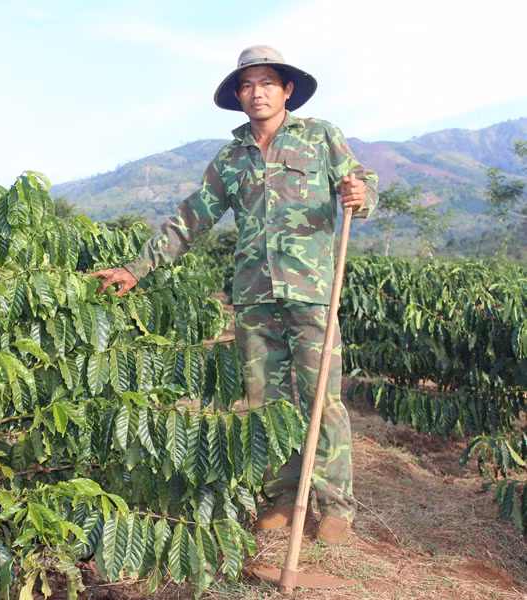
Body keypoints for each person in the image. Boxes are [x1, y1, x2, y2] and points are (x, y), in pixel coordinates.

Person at [91, 45, 378, 545]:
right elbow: (191, 219)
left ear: (287, 89)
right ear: (238, 96)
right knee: (266, 401)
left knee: (320, 398)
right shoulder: (230, 158)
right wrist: (138, 268)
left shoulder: (320, 137)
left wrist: (361, 196)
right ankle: (283, 497)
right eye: (247, 85)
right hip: (253, 297)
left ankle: (334, 504)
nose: (257, 92)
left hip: (311, 292)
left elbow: (361, 182)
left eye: (267, 82)